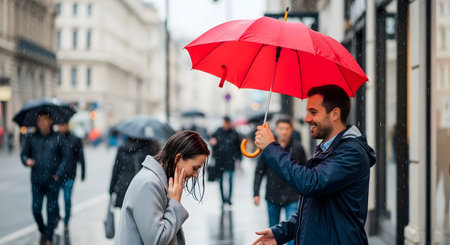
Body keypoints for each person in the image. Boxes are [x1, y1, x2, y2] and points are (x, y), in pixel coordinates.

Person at [252, 85, 376, 245]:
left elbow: (310, 183)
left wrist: (271, 148)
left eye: (313, 112)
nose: (306, 118)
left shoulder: (351, 153)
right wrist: (280, 233)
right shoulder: (328, 150)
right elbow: (315, 208)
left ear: (335, 114)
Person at [114, 130, 210, 245]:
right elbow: (157, 241)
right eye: (195, 168)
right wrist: (174, 203)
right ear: (178, 159)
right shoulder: (149, 184)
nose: (195, 175)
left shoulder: (157, 182)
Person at [253, 118, 307, 245]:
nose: (284, 132)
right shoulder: (268, 149)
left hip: (292, 195)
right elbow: (259, 171)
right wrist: (256, 193)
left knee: (292, 232)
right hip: (272, 195)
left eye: (287, 129)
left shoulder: (297, 148)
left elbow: (305, 170)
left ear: (291, 130)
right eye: (281, 129)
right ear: (276, 130)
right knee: (273, 232)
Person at [21, 111, 69, 245]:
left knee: (51, 210)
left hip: (52, 180)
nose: (42, 123)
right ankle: (43, 230)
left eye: (45, 120)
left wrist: (58, 172)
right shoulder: (31, 137)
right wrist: (26, 161)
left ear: (50, 121)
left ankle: (49, 238)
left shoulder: (58, 137)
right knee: (36, 210)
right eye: (39, 120)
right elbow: (24, 155)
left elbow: (65, 157)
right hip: (36, 180)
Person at [109, 137, 160, 208]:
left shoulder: (122, 148)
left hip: (124, 188)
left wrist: (111, 190)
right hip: (142, 187)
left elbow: (116, 170)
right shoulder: (149, 147)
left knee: (125, 215)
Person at [57, 123, 86, 237]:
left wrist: (83, 172)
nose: (61, 127)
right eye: (60, 125)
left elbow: (81, 157)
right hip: (56, 175)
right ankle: (57, 217)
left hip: (69, 174)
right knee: (53, 200)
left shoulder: (75, 139)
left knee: (67, 199)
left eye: (63, 125)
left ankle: (66, 222)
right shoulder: (55, 138)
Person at [209, 116, 242, 207]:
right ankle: (223, 200)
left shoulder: (234, 133)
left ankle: (229, 199)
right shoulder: (218, 132)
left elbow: (239, 147)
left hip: (230, 161)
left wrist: (239, 160)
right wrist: (212, 143)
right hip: (220, 161)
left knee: (230, 180)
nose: (226, 125)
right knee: (220, 181)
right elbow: (212, 142)